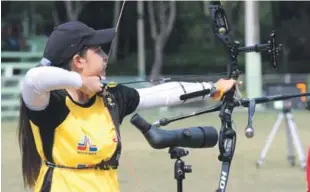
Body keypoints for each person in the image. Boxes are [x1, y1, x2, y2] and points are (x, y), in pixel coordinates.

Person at [18, 21, 237, 192]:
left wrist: (212, 88)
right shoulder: (49, 102)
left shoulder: (110, 97)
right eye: (98, 50)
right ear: (78, 60)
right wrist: (82, 83)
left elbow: (163, 94)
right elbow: (33, 78)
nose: (105, 56)